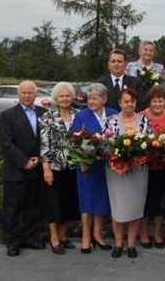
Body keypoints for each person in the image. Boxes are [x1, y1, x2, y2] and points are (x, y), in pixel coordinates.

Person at [0, 80, 47, 257]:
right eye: (24, 93)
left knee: (32, 207)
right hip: (16, 171)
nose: (27, 96)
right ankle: (11, 241)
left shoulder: (44, 113)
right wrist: (23, 161)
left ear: (36, 94)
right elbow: (6, 143)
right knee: (13, 208)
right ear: (18, 94)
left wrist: (39, 158)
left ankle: (28, 237)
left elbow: (48, 140)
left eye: (30, 93)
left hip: (37, 169)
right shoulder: (8, 115)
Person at [103, 88, 151, 259]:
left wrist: (138, 154)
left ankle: (131, 244)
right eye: (126, 101)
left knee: (135, 208)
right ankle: (118, 243)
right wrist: (117, 155)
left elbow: (150, 144)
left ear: (136, 103)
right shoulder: (111, 121)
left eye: (132, 101)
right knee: (118, 208)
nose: (129, 104)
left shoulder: (144, 121)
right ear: (120, 103)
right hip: (117, 172)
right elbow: (104, 144)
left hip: (138, 171)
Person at [69, 82, 116, 253]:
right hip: (87, 166)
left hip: (106, 166)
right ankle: (86, 236)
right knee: (87, 201)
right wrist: (82, 158)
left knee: (101, 200)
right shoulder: (82, 116)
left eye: (95, 98)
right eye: (89, 98)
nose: (91, 101)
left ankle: (98, 234)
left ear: (104, 99)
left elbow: (117, 137)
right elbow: (74, 140)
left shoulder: (113, 114)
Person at [40, 82, 80, 255]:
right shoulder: (48, 116)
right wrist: (46, 169)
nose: (65, 99)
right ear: (56, 98)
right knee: (53, 204)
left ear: (71, 97)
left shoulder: (77, 115)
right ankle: (54, 238)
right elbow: (44, 144)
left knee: (68, 202)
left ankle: (63, 236)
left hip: (73, 166)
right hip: (55, 167)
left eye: (67, 96)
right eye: (61, 96)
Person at [138, 85, 165, 249]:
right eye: (154, 101)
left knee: (160, 201)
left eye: (161, 101)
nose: (157, 104)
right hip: (145, 167)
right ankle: (144, 233)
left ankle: (158, 232)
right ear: (149, 102)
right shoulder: (141, 116)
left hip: (164, 166)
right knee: (144, 201)